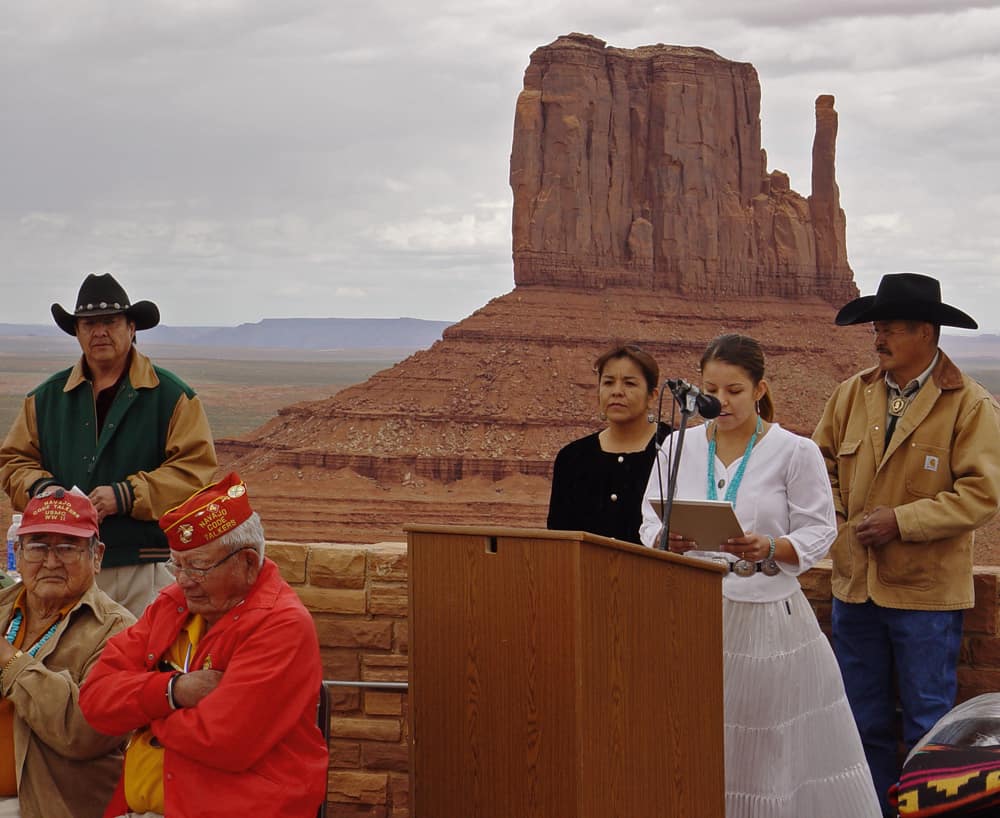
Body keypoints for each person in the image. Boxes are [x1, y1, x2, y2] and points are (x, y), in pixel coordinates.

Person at [640, 333, 880, 818]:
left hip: (767, 617)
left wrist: (771, 545)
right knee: (694, 730)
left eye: (734, 390)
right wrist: (666, 539)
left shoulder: (795, 451)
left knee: (765, 738)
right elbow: (649, 517)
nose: (721, 401)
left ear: (759, 389)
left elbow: (819, 529)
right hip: (692, 614)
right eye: (712, 389)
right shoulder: (676, 446)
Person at [812, 272, 1000, 815]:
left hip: (925, 597)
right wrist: (844, 520)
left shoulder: (970, 405)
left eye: (890, 328)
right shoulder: (851, 394)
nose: (878, 338)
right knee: (859, 720)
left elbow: (983, 495)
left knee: (929, 726)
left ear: (927, 332)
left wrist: (903, 521)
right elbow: (818, 467)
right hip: (855, 589)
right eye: (876, 327)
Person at [79, 472, 329, 818]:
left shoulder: (282, 625)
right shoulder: (172, 604)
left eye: (197, 566)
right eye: (176, 564)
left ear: (248, 563)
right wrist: (173, 691)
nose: (183, 581)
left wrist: (145, 719)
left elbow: (224, 740)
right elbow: (95, 700)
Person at [0, 273, 218, 618]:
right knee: (58, 667)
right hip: (60, 566)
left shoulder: (172, 397)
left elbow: (196, 473)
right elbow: (13, 462)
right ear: (77, 332)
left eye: (109, 321)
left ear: (132, 328)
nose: (98, 331)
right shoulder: (44, 399)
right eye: (88, 323)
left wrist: (125, 495)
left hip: (138, 567)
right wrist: (45, 491)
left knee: (137, 665)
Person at [0, 489, 135, 818]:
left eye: (66, 547)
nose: (50, 561)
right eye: (37, 546)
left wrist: (10, 661)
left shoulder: (119, 630)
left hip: (40, 804)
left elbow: (87, 731)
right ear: (17, 551)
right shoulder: (5, 605)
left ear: (97, 556)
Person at [547, 343, 669, 544]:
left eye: (630, 384)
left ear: (652, 396)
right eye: (609, 382)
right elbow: (559, 536)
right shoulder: (573, 457)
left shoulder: (674, 448)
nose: (617, 392)